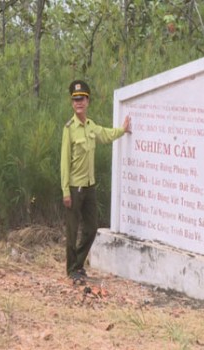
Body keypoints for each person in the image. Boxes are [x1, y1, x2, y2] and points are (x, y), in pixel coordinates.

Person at [61, 80, 131, 284]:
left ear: (88, 101)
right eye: (75, 100)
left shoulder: (91, 127)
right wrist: (65, 190)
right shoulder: (69, 129)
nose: (78, 103)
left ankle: (78, 264)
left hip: (89, 187)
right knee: (72, 231)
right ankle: (72, 269)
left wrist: (122, 130)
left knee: (91, 228)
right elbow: (64, 162)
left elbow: (106, 135)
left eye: (81, 99)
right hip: (74, 187)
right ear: (72, 103)